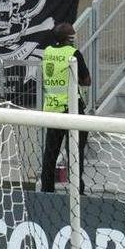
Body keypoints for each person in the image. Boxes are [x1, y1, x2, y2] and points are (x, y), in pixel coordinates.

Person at [40, 23, 92, 194]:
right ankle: (77, 190)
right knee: (75, 154)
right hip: (71, 109)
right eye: (73, 35)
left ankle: (47, 190)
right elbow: (86, 81)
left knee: (50, 153)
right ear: (69, 39)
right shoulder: (73, 54)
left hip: (52, 108)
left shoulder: (47, 51)